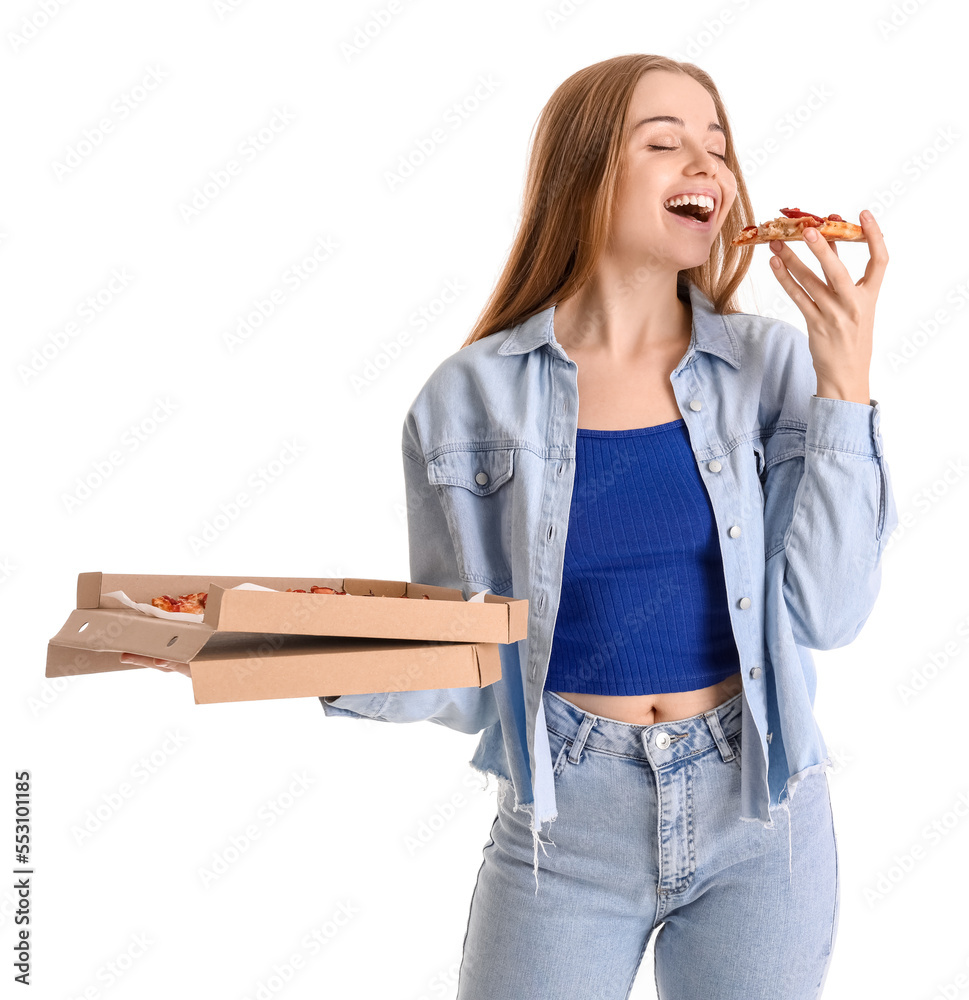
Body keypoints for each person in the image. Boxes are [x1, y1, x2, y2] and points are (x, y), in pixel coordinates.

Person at [125, 53, 897, 998]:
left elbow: (828, 614)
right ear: (584, 175)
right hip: (565, 826)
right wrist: (264, 646)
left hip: (762, 812)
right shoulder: (468, 398)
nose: (706, 165)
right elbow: (464, 659)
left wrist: (844, 389)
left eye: (718, 146)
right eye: (664, 143)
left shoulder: (776, 370)